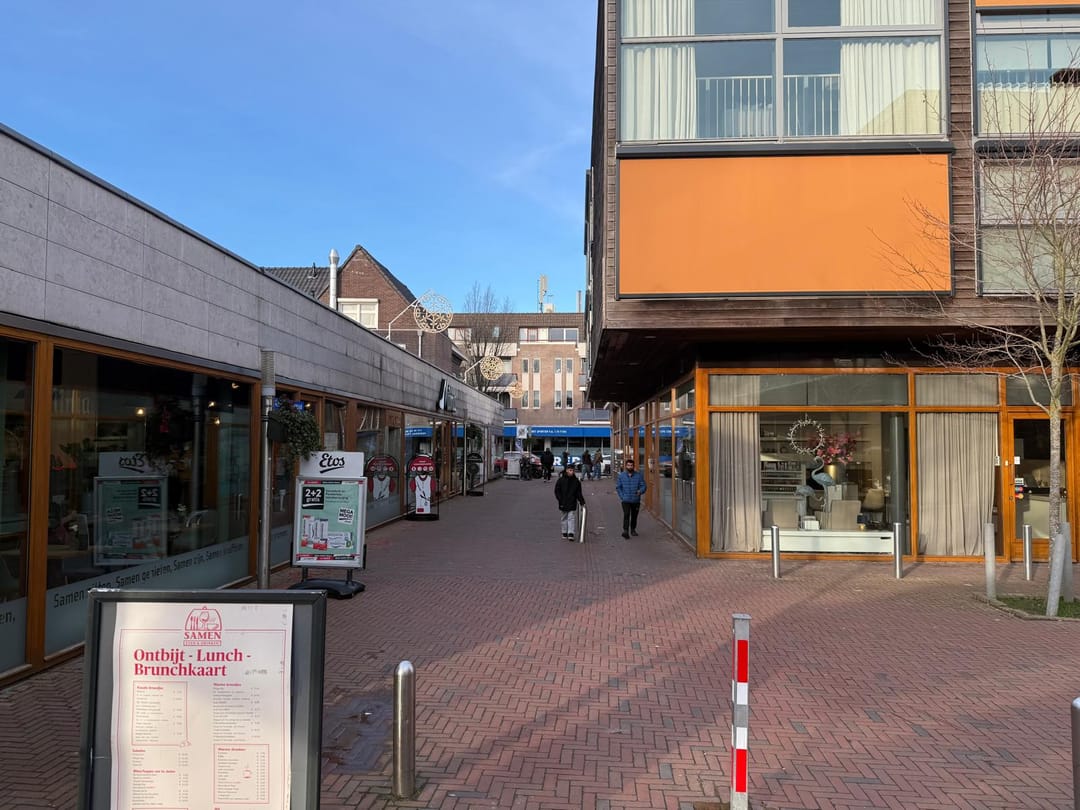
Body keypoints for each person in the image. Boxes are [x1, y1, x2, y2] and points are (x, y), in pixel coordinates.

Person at [615, 459, 647, 538]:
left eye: (631, 465)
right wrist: (622, 496)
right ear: (626, 466)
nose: (630, 467)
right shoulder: (621, 476)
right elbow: (618, 487)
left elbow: (644, 486)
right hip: (625, 500)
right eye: (628, 465)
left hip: (635, 500)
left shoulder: (639, 476)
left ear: (633, 466)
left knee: (634, 516)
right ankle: (625, 530)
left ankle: (633, 529)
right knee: (626, 514)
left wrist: (640, 491)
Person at [554, 464, 586, 541]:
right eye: (570, 470)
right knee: (564, 517)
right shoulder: (561, 480)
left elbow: (578, 493)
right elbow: (557, 491)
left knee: (571, 517)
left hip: (572, 502)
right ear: (567, 470)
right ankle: (564, 532)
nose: (572, 472)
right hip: (563, 502)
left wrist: (582, 501)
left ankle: (571, 533)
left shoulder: (576, 481)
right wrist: (560, 499)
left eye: (573, 470)